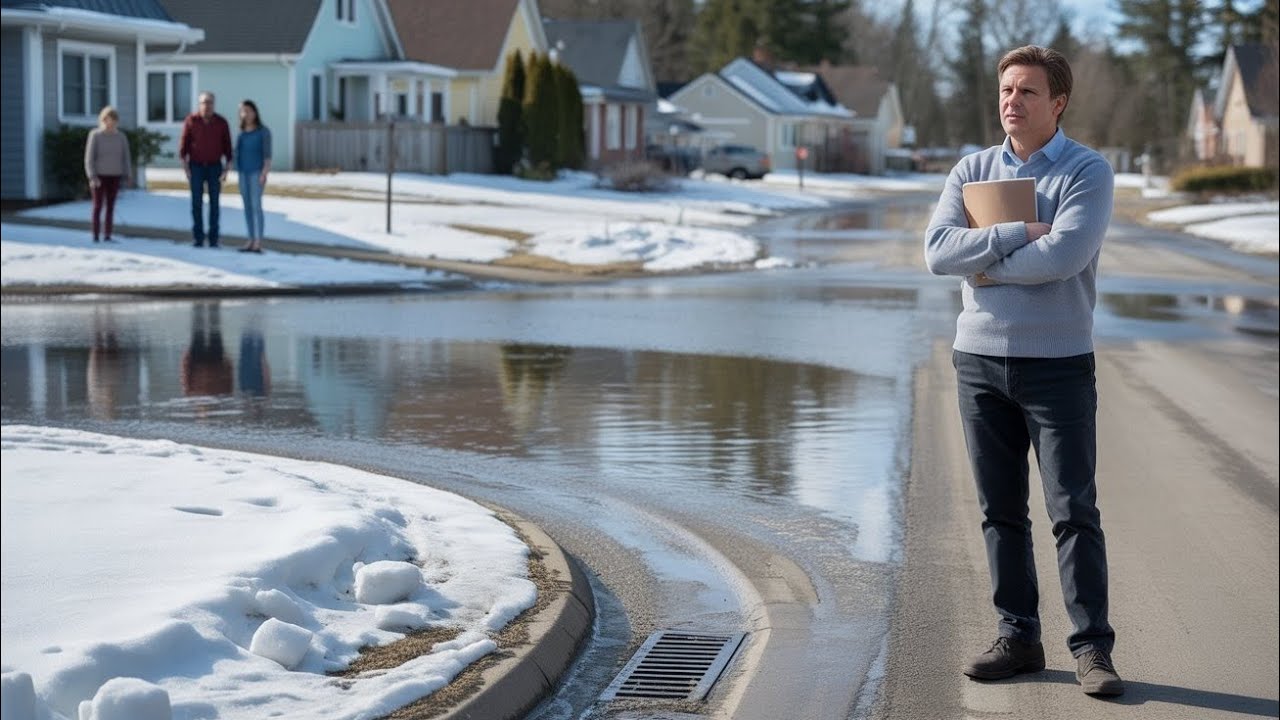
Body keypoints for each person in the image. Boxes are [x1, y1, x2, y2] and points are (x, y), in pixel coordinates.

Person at [923, 45, 1122, 697]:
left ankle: (1092, 649)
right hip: (978, 362)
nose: (1012, 101)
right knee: (1000, 511)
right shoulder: (972, 169)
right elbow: (936, 253)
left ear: (1058, 102)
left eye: (1027, 92)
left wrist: (980, 262)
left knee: (1073, 510)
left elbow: (1062, 257)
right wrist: (1013, 233)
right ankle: (1019, 636)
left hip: (1058, 366)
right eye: (1006, 90)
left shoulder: (1086, 171)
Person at [179, 91, 233, 248]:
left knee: (214, 204)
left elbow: (228, 147)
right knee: (196, 203)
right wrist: (185, 167)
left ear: (214, 104)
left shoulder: (221, 122)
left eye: (210, 102)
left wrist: (226, 169)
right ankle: (198, 238)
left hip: (215, 167)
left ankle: (214, 239)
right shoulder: (191, 121)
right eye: (204, 102)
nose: (207, 105)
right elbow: (183, 146)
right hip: (195, 167)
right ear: (199, 104)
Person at [84, 106, 131, 243]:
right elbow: (89, 158)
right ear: (103, 120)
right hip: (99, 177)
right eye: (107, 120)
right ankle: (95, 235)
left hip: (114, 176)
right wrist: (92, 176)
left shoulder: (121, 137)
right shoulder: (95, 135)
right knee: (98, 206)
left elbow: (126, 157)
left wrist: (128, 174)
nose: (110, 123)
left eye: (113, 120)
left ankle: (108, 235)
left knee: (111, 207)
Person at [235, 100, 272, 253]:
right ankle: (250, 239)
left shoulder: (263, 132)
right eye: (243, 111)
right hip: (243, 172)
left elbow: (268, 156)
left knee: (256, 207)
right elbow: (236, 152)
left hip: (257, 173)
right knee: (247, 207)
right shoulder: (242, 133)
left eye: (249, 110)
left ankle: (258, 241)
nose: (246, 114)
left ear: (255, 112)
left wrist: (264, 173)